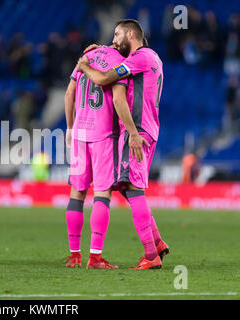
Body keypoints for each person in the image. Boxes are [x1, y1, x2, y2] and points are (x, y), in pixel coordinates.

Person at [77, 19, 169, 270]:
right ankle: (158, 242)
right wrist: (104, 50)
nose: (114, 39)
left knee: (132, 187)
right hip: (145, 129)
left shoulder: (140, 58)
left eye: (117, 34)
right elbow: (116, 57)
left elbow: (104, 77)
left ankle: (151, 255)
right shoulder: (152, 58)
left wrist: (86, 65)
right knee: (126, 187)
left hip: (136, 132)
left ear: (131, 33)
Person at [64, 45, 132, 269]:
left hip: (79, 133)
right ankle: (95, 257)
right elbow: (118, 100)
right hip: (103, 135)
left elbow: (69, 93)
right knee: (102, 195)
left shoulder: (86, 56)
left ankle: (74, 255)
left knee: (77, 193)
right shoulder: (120, 64)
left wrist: (69, 127)